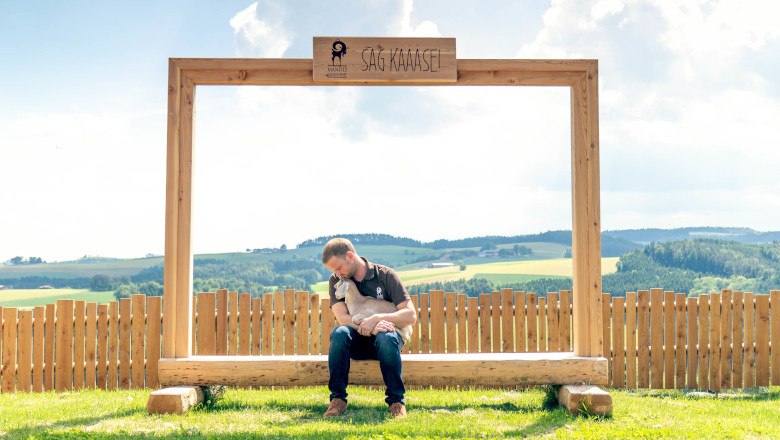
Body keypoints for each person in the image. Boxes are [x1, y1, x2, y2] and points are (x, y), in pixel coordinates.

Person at [321, 237, 417, 419]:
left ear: (350, 256)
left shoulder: (386, 275)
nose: (337, 273)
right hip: (358, 341)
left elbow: (410, 315)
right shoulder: (336, 280)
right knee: (339, 333)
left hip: (387, 344)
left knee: (387, 337)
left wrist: (378, 318)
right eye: (334, 270)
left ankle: (397, 402)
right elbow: (343, 319)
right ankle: (337, 400)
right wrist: (371, 327)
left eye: (339, 267)